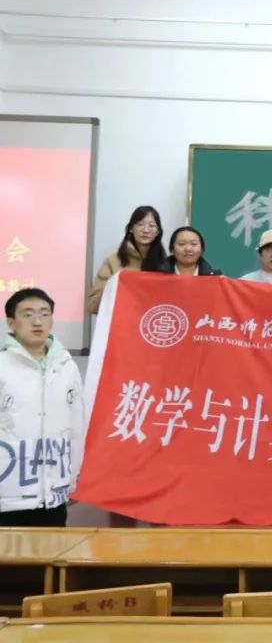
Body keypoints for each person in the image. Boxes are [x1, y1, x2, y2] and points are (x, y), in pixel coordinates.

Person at [0, 288, 86, 526]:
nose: (37, 321)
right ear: (11, 322)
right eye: (27, 314)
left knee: (50, 547)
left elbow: (76, 426)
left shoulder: (66, 366)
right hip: (7, 493)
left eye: (44, 313)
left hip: (53, 494)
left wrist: (72, 479)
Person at [88, 205, 167, 313]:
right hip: (122, 320)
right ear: (131, 229)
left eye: (152, 225)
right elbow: (93, 306)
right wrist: (112, 286)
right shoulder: (113, 261)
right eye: (140, 224)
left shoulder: (166, 263)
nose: (146, 230)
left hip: (152, 320)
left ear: (158, 232)